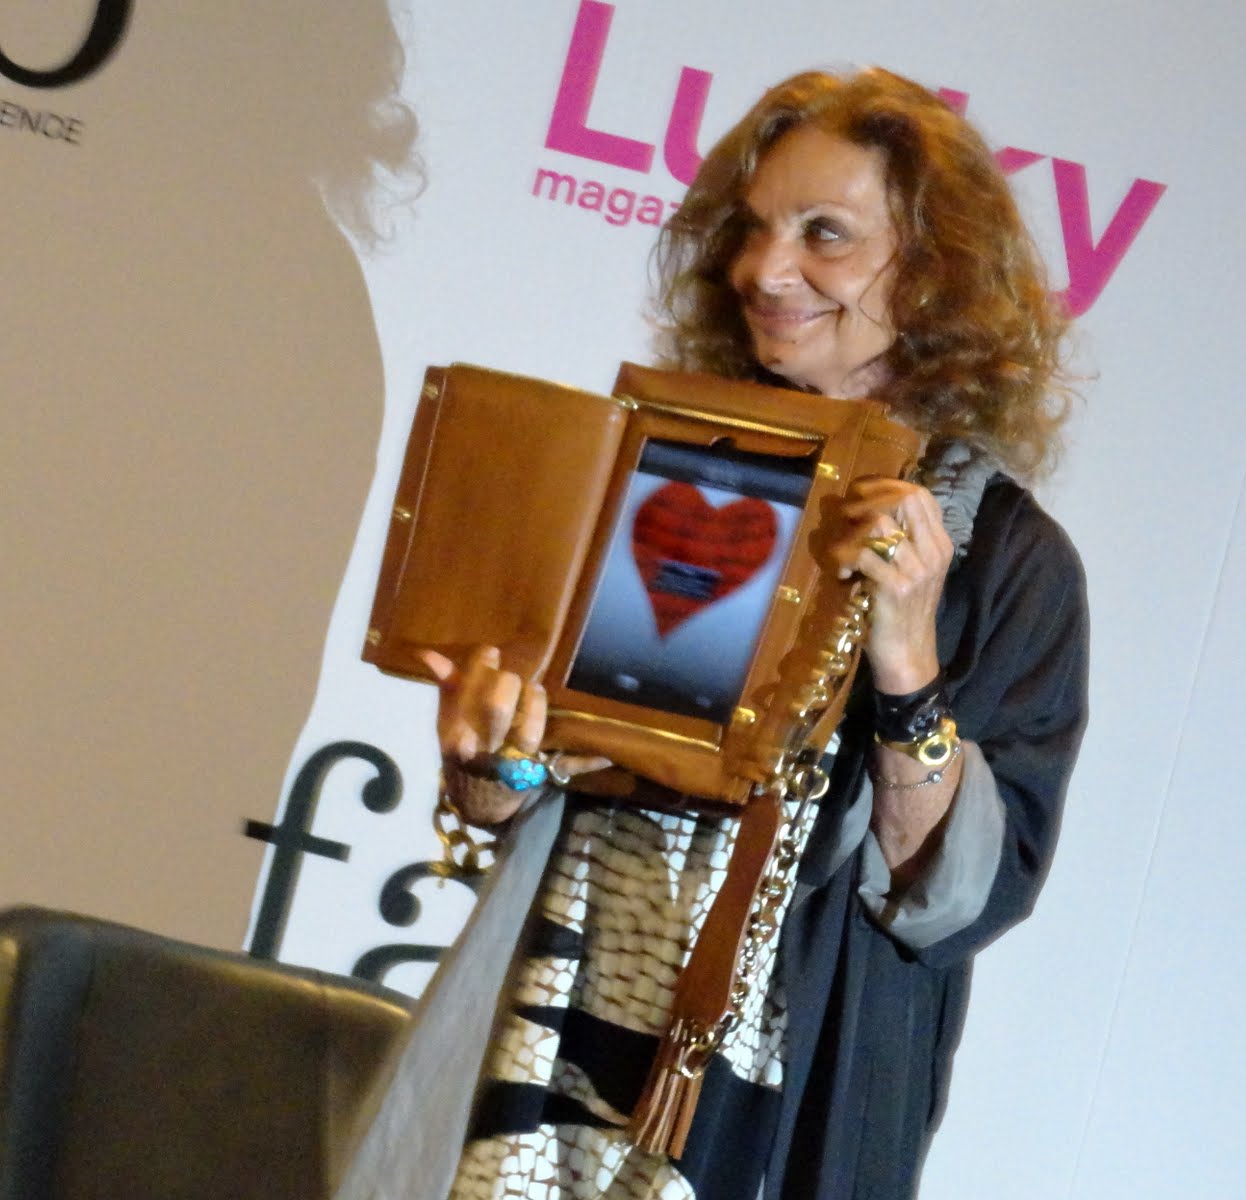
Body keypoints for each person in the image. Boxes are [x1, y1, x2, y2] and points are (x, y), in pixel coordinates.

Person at [427, 66, 1088, 1200]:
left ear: (932, 272)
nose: (764, 270)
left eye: (824, 233)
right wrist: (498, 760)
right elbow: (529, 792)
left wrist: (907, 662)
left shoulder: (1009, 562)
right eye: (752, 227)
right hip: (554, 1033)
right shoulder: (656, 464)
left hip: (779, 1095)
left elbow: (954, 900)